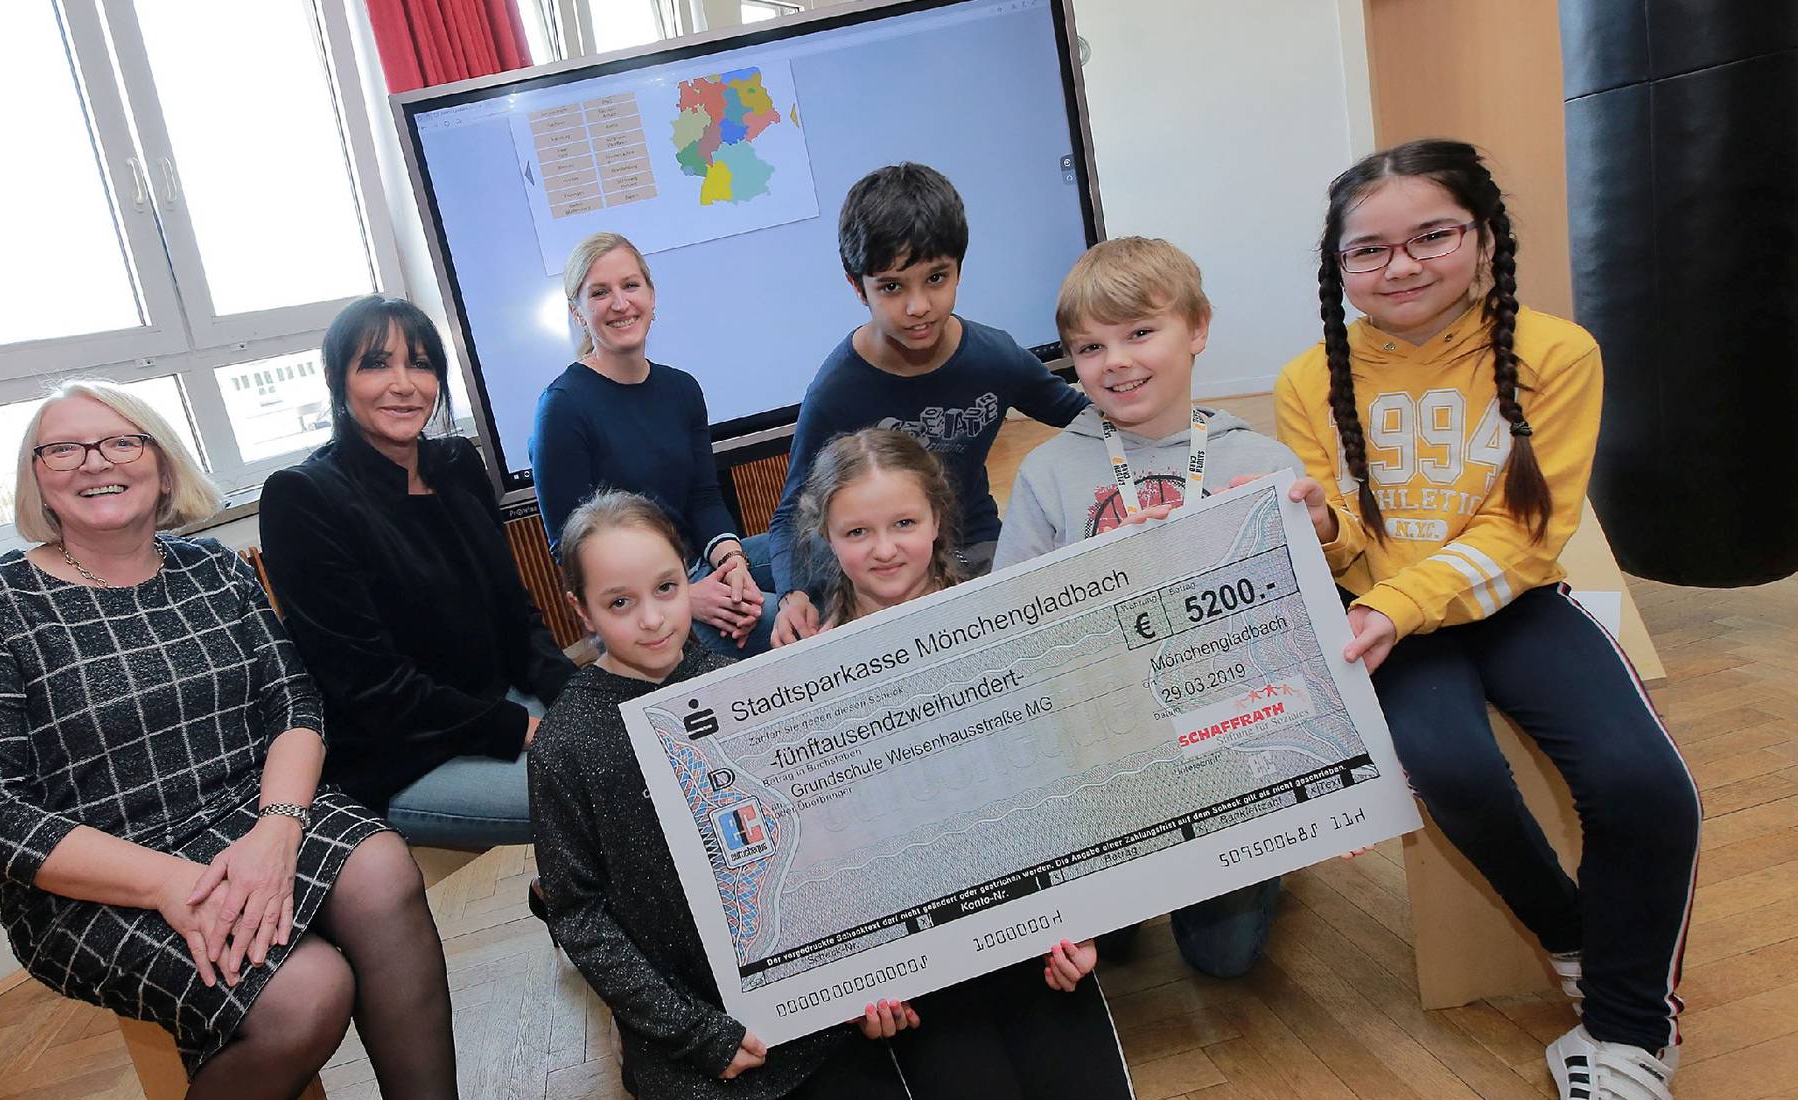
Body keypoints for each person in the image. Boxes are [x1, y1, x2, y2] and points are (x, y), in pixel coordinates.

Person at [1275, 139, 1700, 1100]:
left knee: (1647, 785)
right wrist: (1323, 529)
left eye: (1433, 235)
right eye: (1368, 251)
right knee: (1453, 767)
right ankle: (1582, 947)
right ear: (1339, 270)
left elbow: (1525, 533)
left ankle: (1630, 1036)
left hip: (1507, 600)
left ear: (1485, 239)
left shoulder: (1557, 352)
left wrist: (1396, 598)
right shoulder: (1307, 380)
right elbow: (1341, 547)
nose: (1402, 265)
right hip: (1383, 610)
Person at [0, 382, 469, 1100]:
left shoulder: (212, 569)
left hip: (244, 816)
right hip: (96, 875)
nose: (95, 462)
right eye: (64, 448)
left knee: (380, 867)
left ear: (161, 461)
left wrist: (275, 832)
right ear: (36, 477)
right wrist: (168, 884)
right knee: (306, 993)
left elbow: (297, 707)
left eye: (121, 442)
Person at [527, 490, 933, 1100]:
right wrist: (691, 1033)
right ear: (581, 609)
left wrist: (864, 975)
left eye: (666, 587)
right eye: (620, 603)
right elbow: (581, 914)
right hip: (690, 1039)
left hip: (809, 1015)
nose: (654, 619)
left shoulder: (740, 688)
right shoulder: (565, 745)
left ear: (690, 575)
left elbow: (818, 847)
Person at [787, 428, 1142, 1100]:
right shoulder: (795, 672)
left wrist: (1080, 922)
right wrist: (858, 985)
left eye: (904, 524)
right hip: (916, 969)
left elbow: (1070, 779)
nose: (884, 549)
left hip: (1027, 933)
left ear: (940, 519)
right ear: (826, 535)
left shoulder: (1003, 619)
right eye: (857, 531)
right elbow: (813, 855)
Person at [995, 236, 1300, 979]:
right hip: (1107, 755)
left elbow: (1296, 631)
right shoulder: (1050, 472)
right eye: (1090, 347)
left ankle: (1275, 857)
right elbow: (1011, 623)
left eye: (1140, 332)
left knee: (1223, 959)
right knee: (1114, 951)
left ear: (1197, 327)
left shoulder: (1260, 466)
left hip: (1231, 750)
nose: (1117, 361)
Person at [259, 295, 576, 850]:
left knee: (632, 750)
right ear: (338, 379)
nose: (404, 384)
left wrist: (573, 700)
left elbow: (517, 613)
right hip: (406, 751)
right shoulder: (302, 497)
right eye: (377, 363)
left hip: (500, 705)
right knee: (598, 793)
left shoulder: (458, 464)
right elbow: (371, 688)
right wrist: (526, 730)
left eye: (422, 364)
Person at [763, 162, 1087, 645]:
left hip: (971, 548)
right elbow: (791, 511)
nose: (918, 306)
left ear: (958, 269)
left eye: (936, 278)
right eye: (892, 286)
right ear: (858, 287)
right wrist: (792, 596)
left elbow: (1080, 414)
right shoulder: (838, 389)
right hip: (879, 563)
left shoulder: (995, 356)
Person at [531, 231, 770, 656]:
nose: (620, 303)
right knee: (783, 622)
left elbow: (704, 498)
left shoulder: (682, 389)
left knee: (820, 551)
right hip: (640, 606)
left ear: (652, 295)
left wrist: (733, 563)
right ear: (578, 313)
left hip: (699, 568)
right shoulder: (562, 408)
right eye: (599, 292)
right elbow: (572, 553)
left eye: (630, 285)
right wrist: (680, 598)